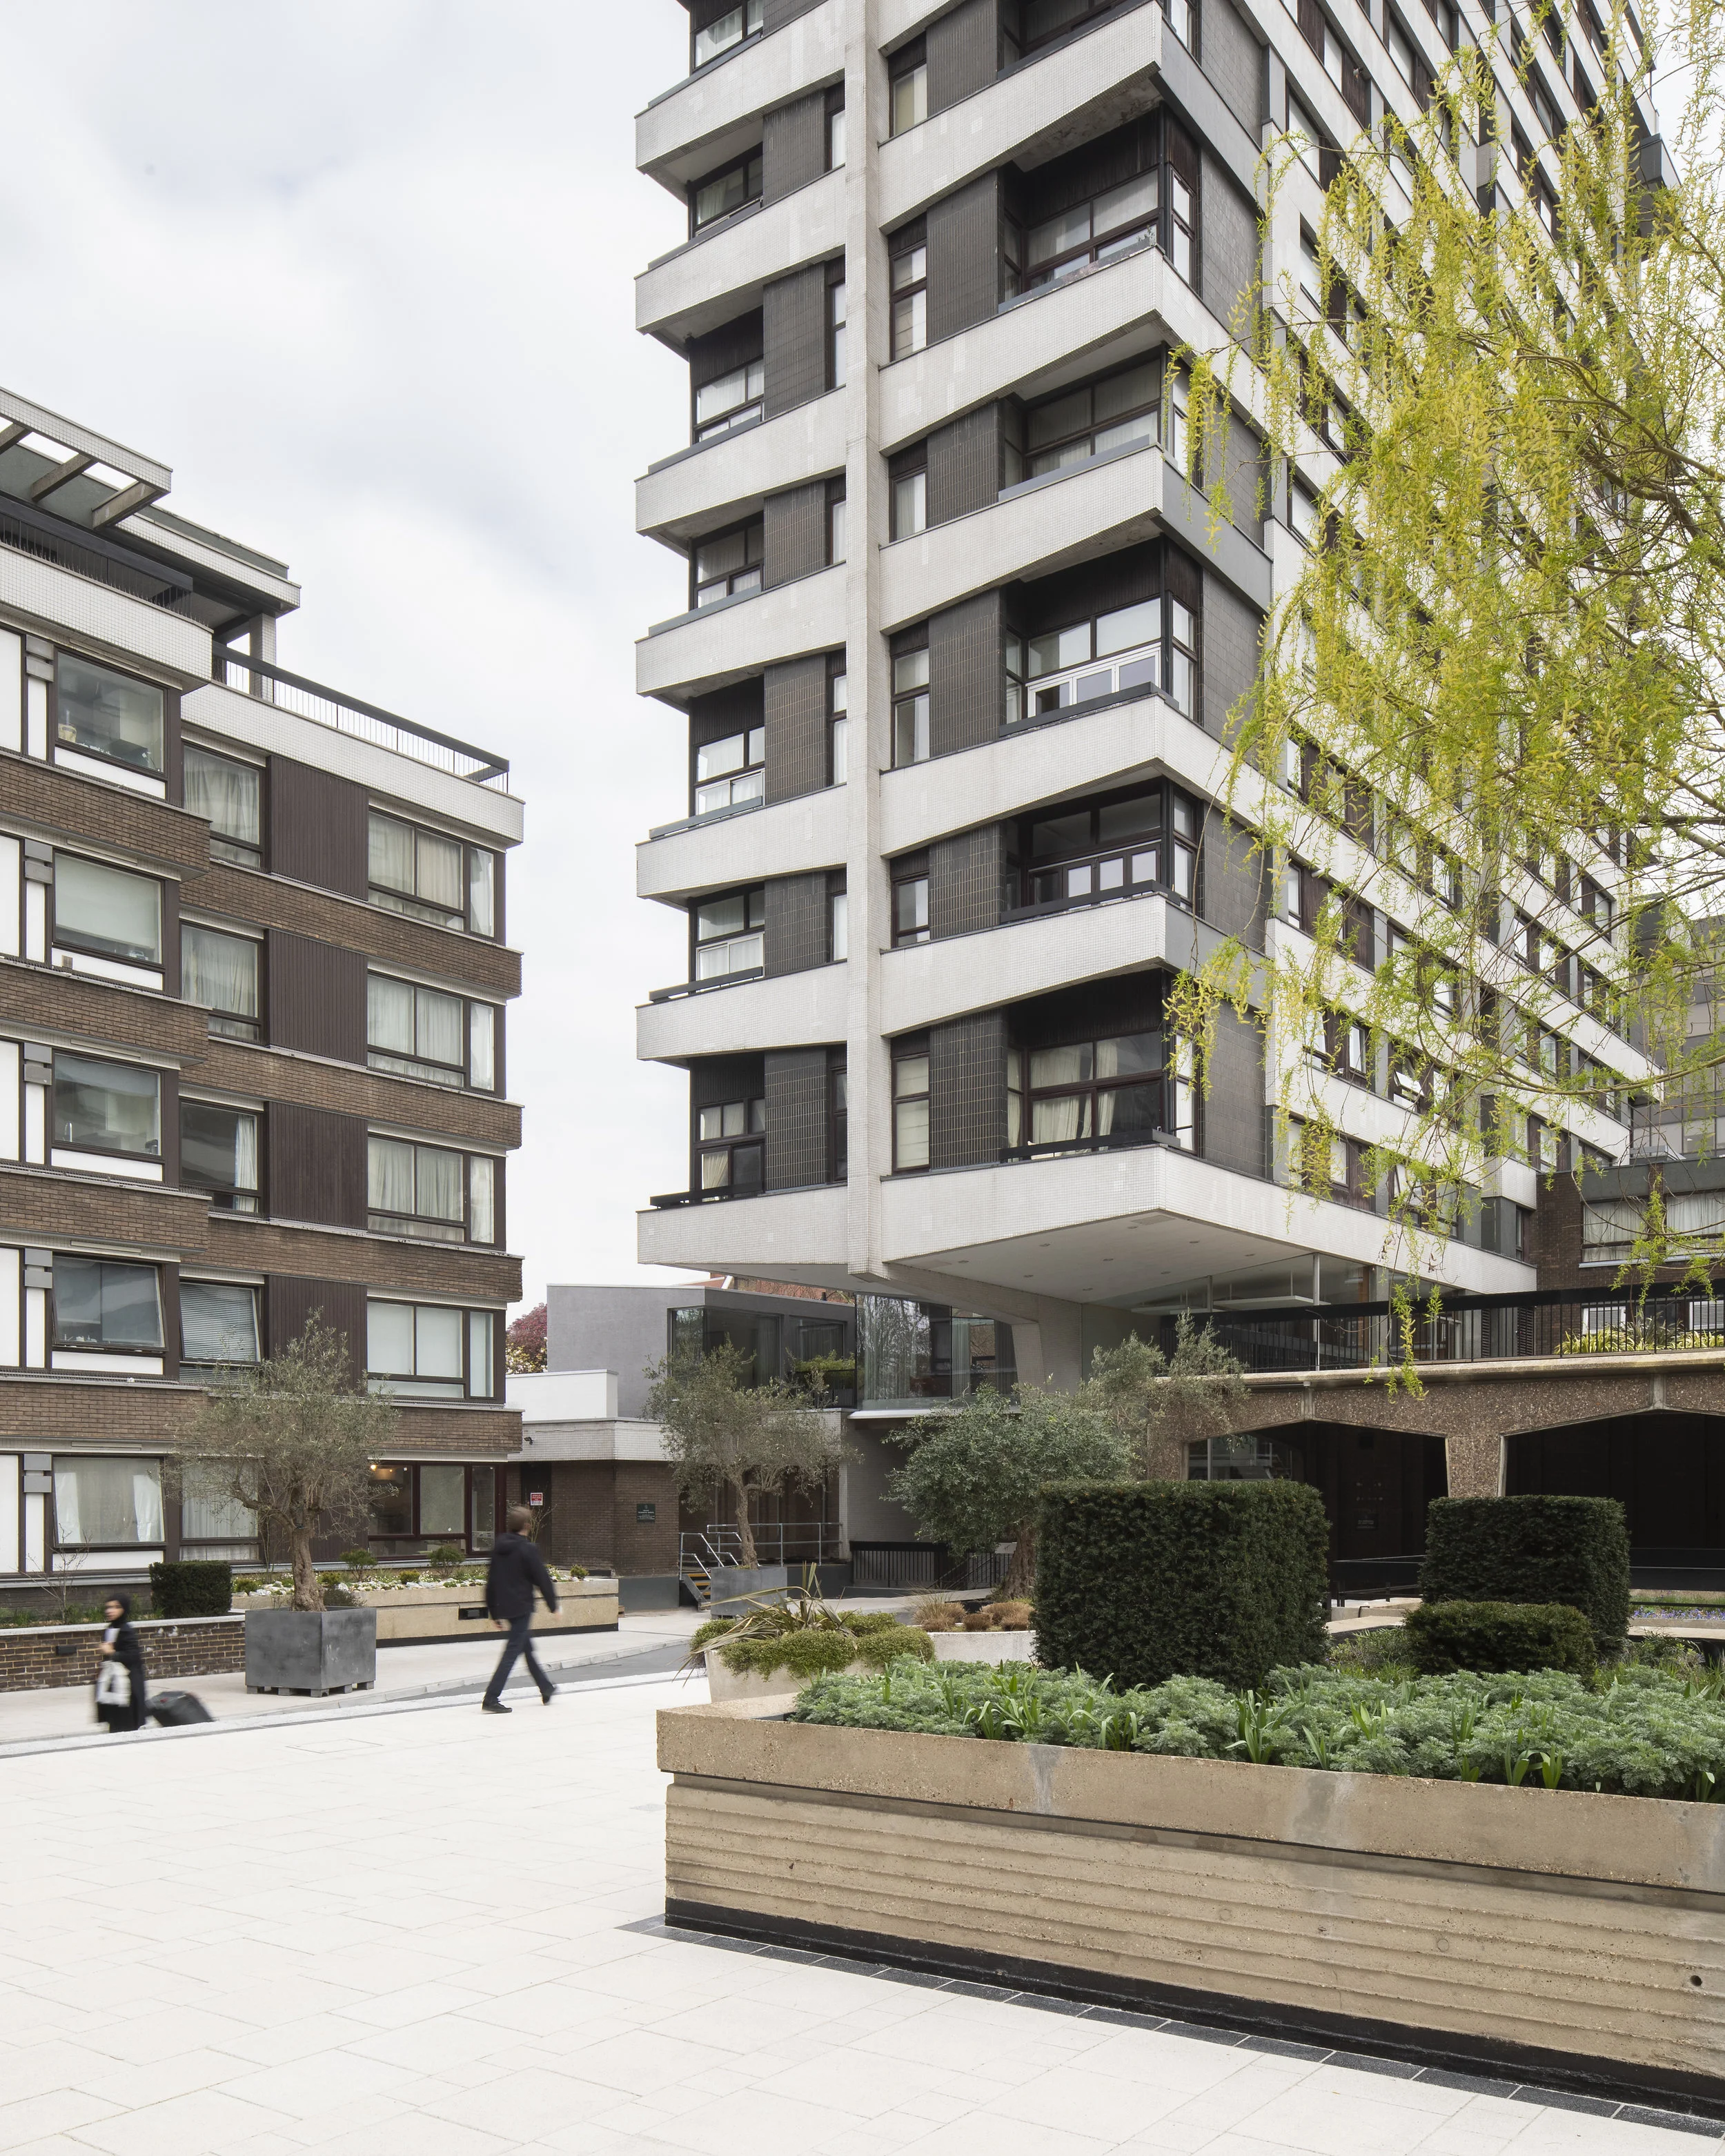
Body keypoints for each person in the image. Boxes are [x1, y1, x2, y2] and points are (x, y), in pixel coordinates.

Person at [481, 1508, 560, 1713]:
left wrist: (494, 1612)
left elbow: (491, 1582)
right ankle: (491, 1698)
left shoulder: (500, 1547)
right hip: (521, 1607)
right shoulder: (527, 1549)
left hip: (504, 1606)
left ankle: (546, 1687)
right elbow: (542, 1579)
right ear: (527, 1526)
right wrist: (554, 1606)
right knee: (511, 1653)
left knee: (526, 1647)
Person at [94, 1595, 147, 1733]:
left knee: (127, 1724)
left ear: (124, 1609)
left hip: (128, 1685)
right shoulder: (109, 1629)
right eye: (109, 1607)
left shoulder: (127, 1630)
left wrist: (112, 1653)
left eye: (116, 1607)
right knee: (114, 1719)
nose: (110, 1611)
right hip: (113, 1682)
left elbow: (133, 1657)